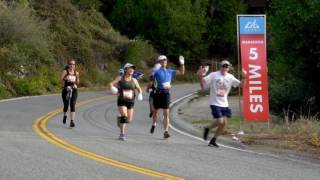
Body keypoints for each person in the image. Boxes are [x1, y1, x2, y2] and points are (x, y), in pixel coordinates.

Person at [197, 60, 245, 147]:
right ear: (220, 67)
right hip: (214, 102)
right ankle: (208, 128)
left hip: (224, 103)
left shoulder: (230, 77)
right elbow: (203, 83)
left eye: (226, 66)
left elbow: (241, 85)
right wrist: (201, 76)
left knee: (224, 123)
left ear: (229, 68)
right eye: (223, 66)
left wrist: (245, 77)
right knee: (220, 121)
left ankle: (213, 140)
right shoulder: (214, 75)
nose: (224, 68)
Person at [150, 55, 185, 139]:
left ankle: (166, 131)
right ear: (159, 62)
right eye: (162, 60)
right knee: (155, 111)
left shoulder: (170, 71)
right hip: (157, 93)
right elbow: (151, 79)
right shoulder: (156, 72)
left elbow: (181, 72)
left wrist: (182, 64)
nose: (164, 61)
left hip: (166, 93)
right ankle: (154, 123)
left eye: (165, 60)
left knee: (166, 113)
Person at [110, 63, 143, 141]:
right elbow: (111, 83)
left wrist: (140, 94)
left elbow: (139, 88)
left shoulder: (134, 80)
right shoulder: (120, 78)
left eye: (133, 68)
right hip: (122, 100)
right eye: (130, 68)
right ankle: (122, 134)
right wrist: (113, 88)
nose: (132, 70)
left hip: (131, 101)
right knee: (124, 116)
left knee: (129, 120)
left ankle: (119, 118)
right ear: (125, 69)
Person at [60, 59, 79, 128]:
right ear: (68, 65)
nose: (72, 65)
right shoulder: (65, 71)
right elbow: (61, 79)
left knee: (73, 104)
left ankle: (72, 121)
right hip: (66, 89)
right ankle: (65, 115)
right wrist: (66, 78)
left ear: (75, 65)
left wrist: (77, 81)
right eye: (70, 64)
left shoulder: (76, 73)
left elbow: (78, 82)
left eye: (73, 64)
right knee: (66, 105)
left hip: (74, 89)